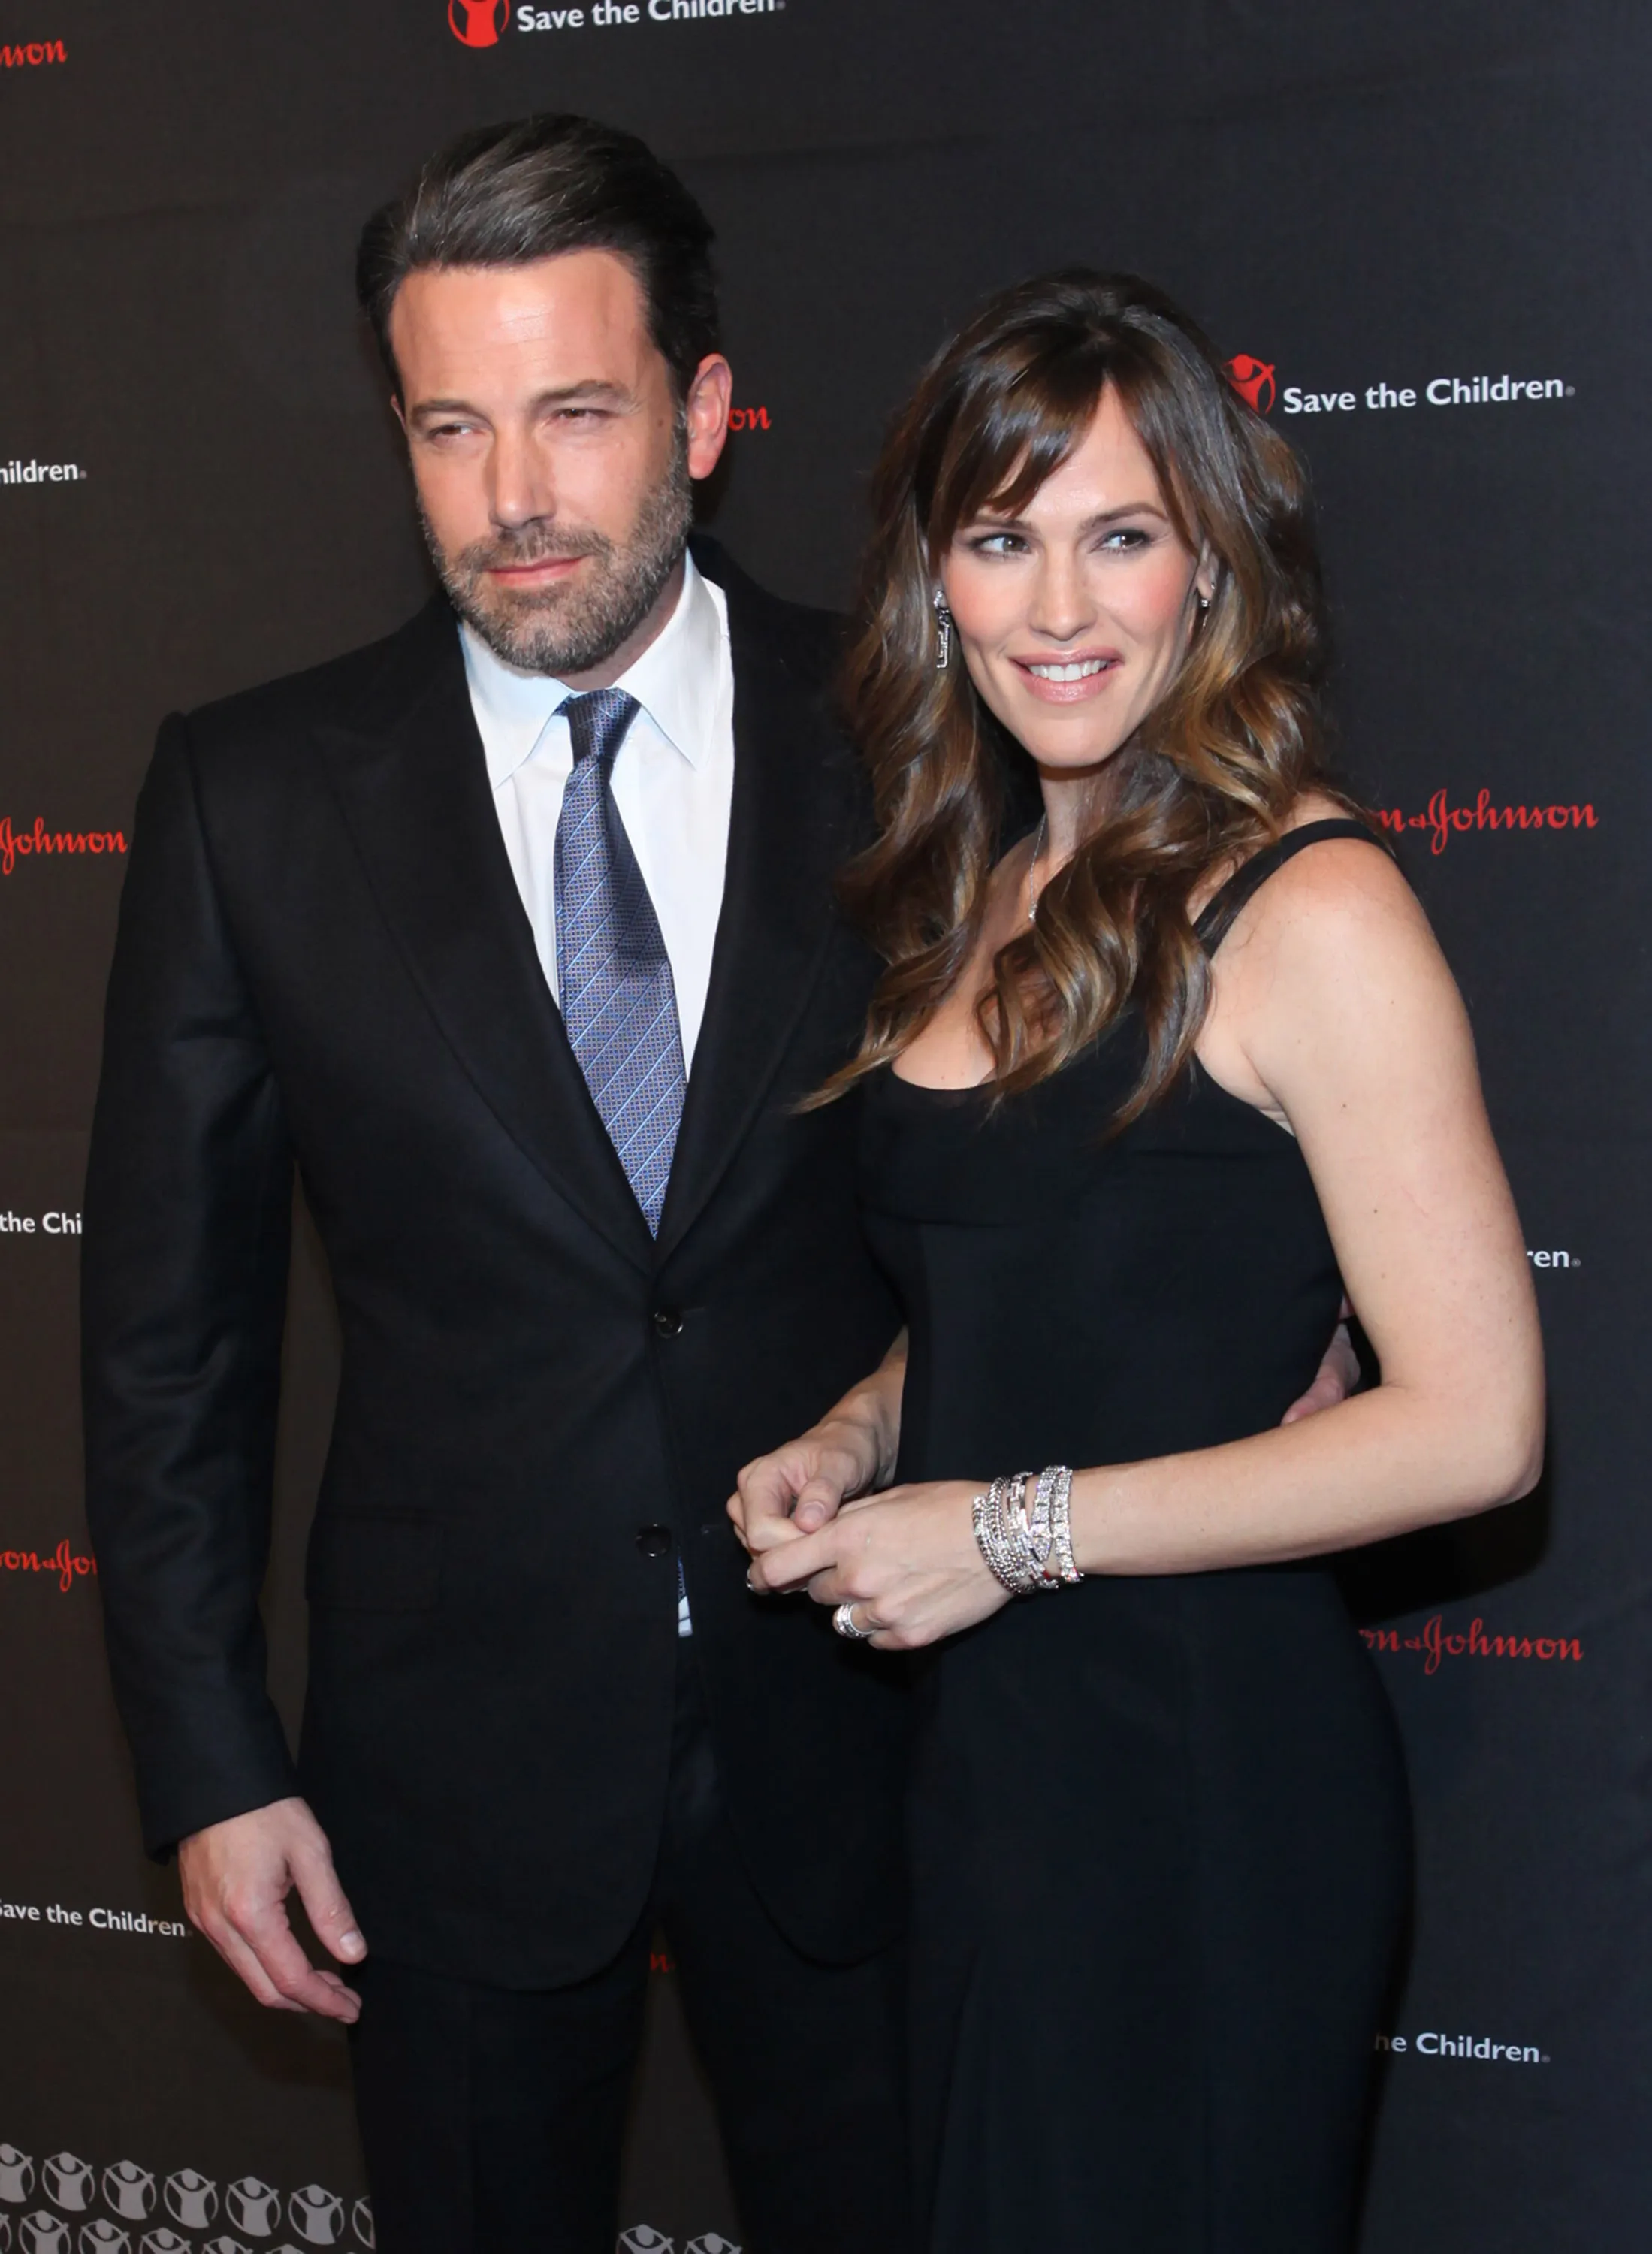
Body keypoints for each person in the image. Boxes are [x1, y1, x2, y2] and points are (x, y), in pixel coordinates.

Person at [80, 114, 916, 2254]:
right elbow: (168, 1340)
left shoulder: (917, 736)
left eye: (573, 415)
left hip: (875, 1721)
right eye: (452, 427)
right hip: (442, 1765)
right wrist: (211, 1760)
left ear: (706, 416)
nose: (514, 499)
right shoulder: (250, 796)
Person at [733, 270, 1545, 2252]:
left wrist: (998, 1530)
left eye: (1120, 537)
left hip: (1200, 1788)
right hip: (986, 1783)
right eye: (1003, 542)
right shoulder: (989, 884)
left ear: (1208, 567)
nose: (1060, 608)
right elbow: (1037, 1285)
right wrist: (854, 1438)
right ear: (937, 580)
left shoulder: (1308, 903)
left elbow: (1473, 1432)